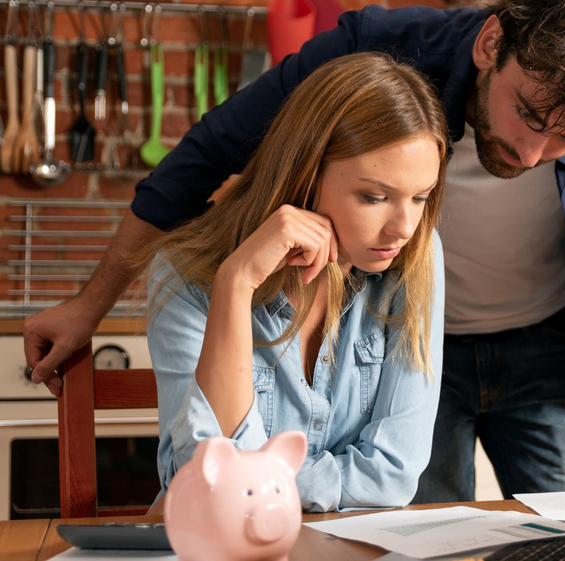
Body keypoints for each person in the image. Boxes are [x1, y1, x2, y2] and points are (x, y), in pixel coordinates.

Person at [24, 0, 565, 498]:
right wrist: (92, 305)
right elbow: (203, 158)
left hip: (540, 347)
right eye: (531, 113)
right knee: (417, 533)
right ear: (490, 45)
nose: (534, 148)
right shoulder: (377, 55)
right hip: (408, 335)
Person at [140, 53, 448, 511]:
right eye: (375, 197)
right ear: (306, 173)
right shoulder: (186, 274)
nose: (403, 226)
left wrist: (258, 480)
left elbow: (393, 475)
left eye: (420, 197)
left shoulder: (417, 255)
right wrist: (236, 282)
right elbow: (209, 484)